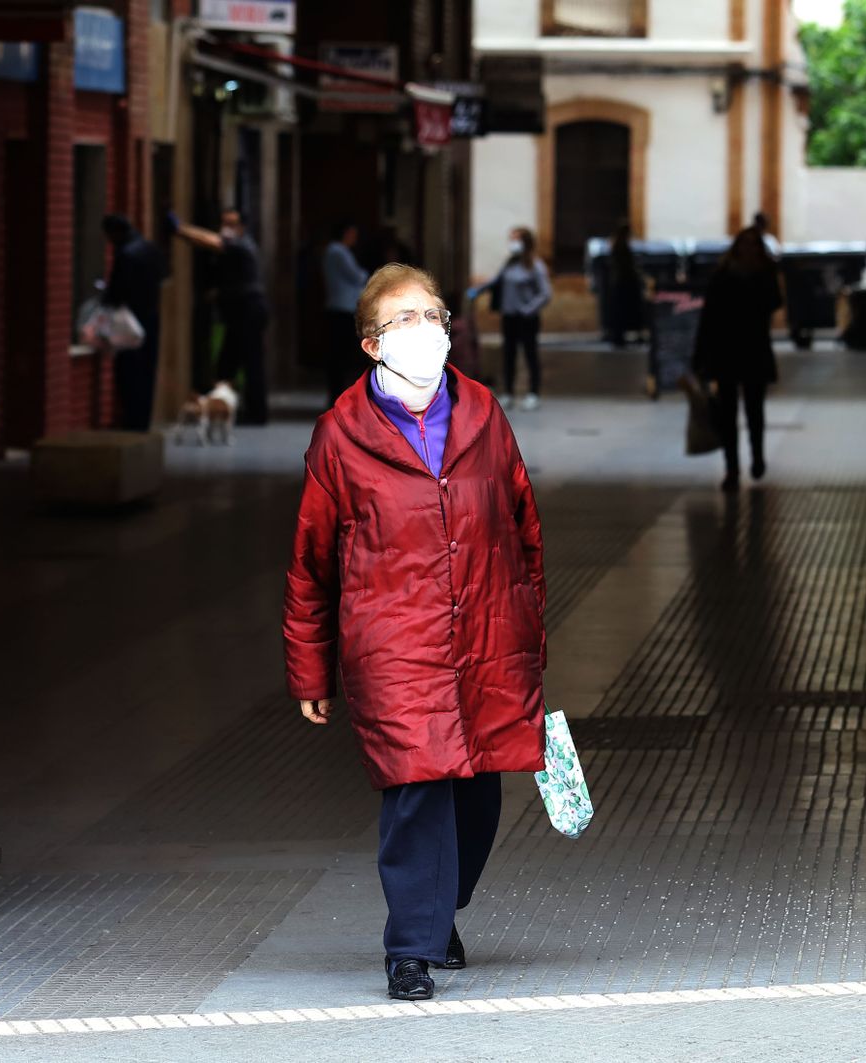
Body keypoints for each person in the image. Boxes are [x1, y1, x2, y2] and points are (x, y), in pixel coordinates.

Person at [284, 263, 547, 1003]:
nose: (425, 329)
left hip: (486, 633)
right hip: (393, 642)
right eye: (406, 319)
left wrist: (530, 638)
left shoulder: (484, 413)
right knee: (418, 787)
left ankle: (440, 907)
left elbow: (524, 525)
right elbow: (311, 560)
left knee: (478, 792)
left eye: (433, 314)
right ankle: (411, 946)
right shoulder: (340, 434)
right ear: (372, 344)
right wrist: (311, 670)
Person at [691, 227, 783, 492]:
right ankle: (731, 466)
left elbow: (774, 303)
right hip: (727, 350)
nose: (749, 251)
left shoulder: (763, 276)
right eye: (745, 245)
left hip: (752, 350)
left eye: (754, 246)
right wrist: (700, 356)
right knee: (727, 412)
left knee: (755, 410)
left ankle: (756, 457)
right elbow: (708, 318)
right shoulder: (722, 277)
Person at [169, 207, 270, 425]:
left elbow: (211, 241)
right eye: (224, 222)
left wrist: (179, 229)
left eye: (232, 223)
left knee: (251, 363)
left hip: (250, 310)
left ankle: (256, 414)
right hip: (237, 312)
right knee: (227, 362)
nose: (227, 228)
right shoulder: (236, 245)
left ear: (242, 227)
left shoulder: (242, 245)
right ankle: (222, 408)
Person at [100, 215, 166, 431]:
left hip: (128, 323)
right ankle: (142, 421)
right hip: (151, 318)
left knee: (129, 373)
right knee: (147, 371)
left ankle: (131, 420)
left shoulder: (126, 255)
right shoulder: (150, 249)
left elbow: (116, 293)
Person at [479, 227, 551, 410]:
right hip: (509, 316)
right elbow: (496, 281)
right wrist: (478, 290)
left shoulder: (535, 265)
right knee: (508, 355)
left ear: (526, 242)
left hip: (526, 318)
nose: (513, 243)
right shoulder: (510, 263)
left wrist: (528, 309)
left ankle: (533, 393)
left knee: (530, 354)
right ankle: (508, 393)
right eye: (511, 239)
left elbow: (545, 293)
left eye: (516, 239)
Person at [323, 220, 370, 401]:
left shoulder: (337, 251)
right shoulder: (337, 251)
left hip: (342, 306)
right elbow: (357, 275)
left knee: (341, 354)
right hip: (341, 307)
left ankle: (339, 393)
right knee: (339, 354)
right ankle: (337, 394)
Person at [603, 223, 647, 348]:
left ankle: (619, 336)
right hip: (625, 283)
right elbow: (626, 266)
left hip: (620, 283)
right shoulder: (622, 247)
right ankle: (622, 337)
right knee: (625, 311)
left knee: (620, 311)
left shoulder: (616, 245)